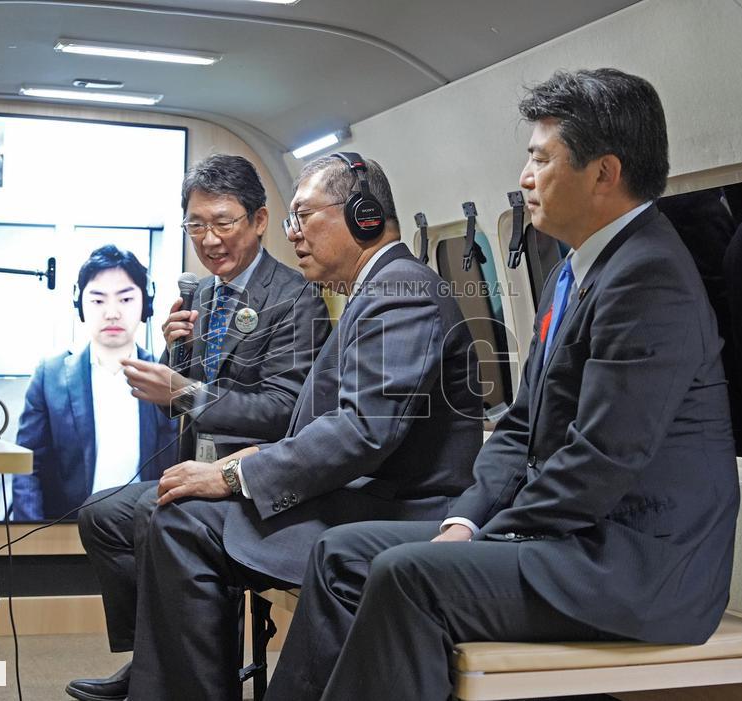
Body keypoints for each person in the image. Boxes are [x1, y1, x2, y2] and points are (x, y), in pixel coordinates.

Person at [264, 69, 740, 701]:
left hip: (638, 568)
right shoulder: (580, 270)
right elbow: (520, 426)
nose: (523, 177)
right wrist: (465, 517)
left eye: (540, 158)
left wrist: (491, 535)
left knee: (411, 575)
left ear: (604, 172)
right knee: (340, 554)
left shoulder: (647, 278)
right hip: (577, 538)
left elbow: (602, 458)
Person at [70, 152, 483, 701]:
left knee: (182, 521)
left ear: (362, 217)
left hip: (393, 508)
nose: (293, 236)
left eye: (303, 217)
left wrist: (240, 474)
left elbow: (362, 432)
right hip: (360, 495)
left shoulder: (400, 293)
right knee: (177, 518)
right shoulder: (379, 290)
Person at [67, 154, 332, 700]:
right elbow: (183, 400)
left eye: (223, 222)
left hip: (259, 479)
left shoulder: (295, 299)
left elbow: (284, 408)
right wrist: (175, 352)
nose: (208, 239)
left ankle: (185, 675)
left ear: (259, 222)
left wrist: (183, 390)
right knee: (100, 515)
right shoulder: (203, 295)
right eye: (195, 225)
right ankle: (152, 658)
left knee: (150, 511)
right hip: (199, 466)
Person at [12, 245, 177, 521]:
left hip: (147, 533)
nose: (112, 313)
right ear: (80, 304)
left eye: (125, 300)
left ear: (145, 303)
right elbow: (27, 466)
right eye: (98, 300)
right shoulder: (49, 375)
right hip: (65, 533)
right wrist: (32, 544)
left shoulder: (165, 376)